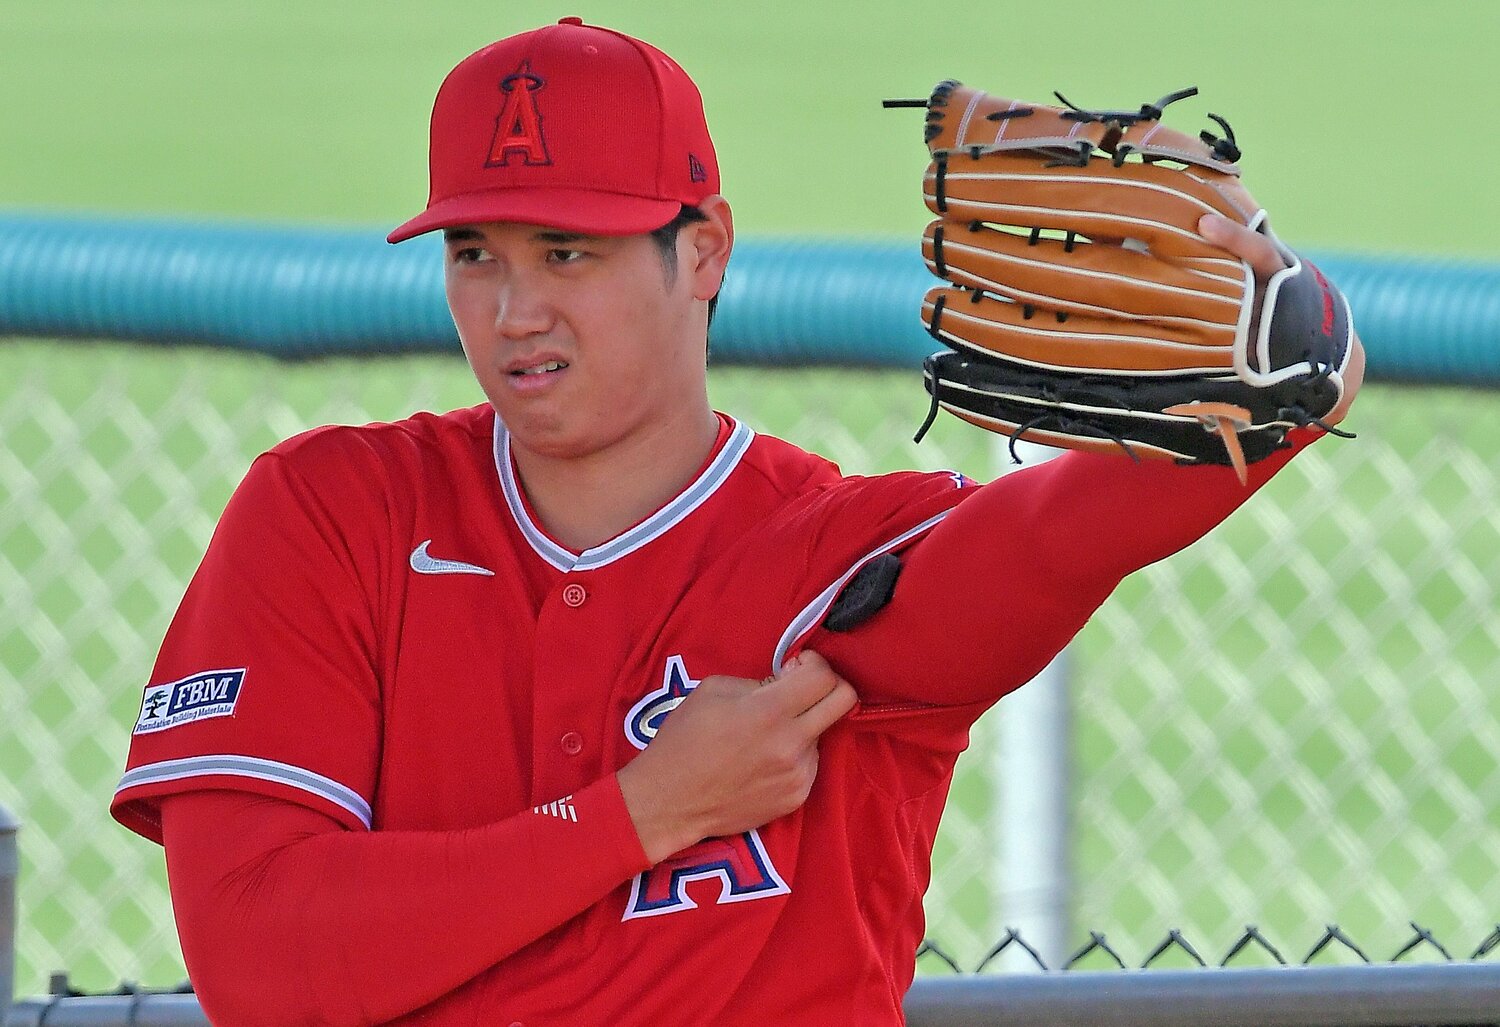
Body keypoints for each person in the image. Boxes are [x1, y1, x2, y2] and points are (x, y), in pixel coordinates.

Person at [111, 17, 1364, 1026]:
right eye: (476, 254)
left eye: (568, 252)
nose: (512, 312)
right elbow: (262, 965)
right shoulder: (335, 513)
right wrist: (644, 812)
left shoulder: (829, 555)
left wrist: (1295, 359)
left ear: (702, 251)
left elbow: (1059, 532)